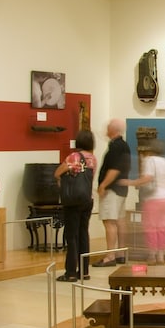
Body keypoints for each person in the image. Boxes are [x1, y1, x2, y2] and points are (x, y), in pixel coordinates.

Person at [121, 139, 165, 265]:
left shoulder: (150, 160)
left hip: (154, 198)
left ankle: (152, 255)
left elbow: (148, 178)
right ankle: (161, 255)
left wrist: (131, 182)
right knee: (162, 227)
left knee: (151, 227)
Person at [54, 130, 97, 281]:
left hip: (73, 201)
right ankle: (84, 270)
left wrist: (60, 182)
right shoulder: (92, 158)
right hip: (87, 199)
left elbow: (57, 172)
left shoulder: (74, 156)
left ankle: (71, 272)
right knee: (83, 234)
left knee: (71, 236)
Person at [93, 119, 132, 266]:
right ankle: (121, 253)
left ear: (113, 130)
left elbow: (114, 169)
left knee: (109, 221)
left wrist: (103, 185)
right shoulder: (124, 145)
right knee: (120, 221)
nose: (106, 129)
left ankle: (110, 256)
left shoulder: (116, 147)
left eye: (108, 127)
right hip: (121, 189)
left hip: (113, 189)